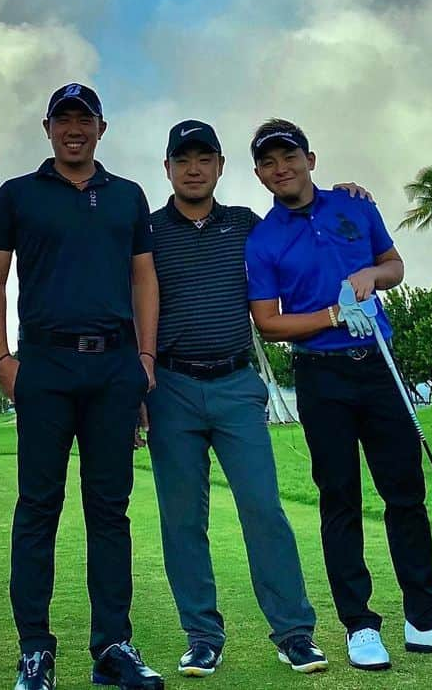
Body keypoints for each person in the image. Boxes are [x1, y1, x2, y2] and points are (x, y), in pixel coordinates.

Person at [244, 118, 432, 672]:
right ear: (260, 174)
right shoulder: (263, 240)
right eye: (268, 162)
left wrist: (370, 279)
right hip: (320, 375)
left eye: (289, 156)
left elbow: (395, 266)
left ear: (311, 157)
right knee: (340, 499)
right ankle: (359, 625)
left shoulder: (354, 206)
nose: (281, 168)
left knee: (405, 494)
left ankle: (426, 620)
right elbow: (269, 323)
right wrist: (332, 313)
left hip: (379, 366)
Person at [0, 83, 164, 690]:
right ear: (49, 127)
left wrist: (143, 358)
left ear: (101, 129)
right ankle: (35, 649)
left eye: (85, 120)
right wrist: (2, 358)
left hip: (114, 367)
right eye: (64, 119)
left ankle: (112, 645)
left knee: (109, 512)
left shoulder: (128, 197)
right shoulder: (18, 195)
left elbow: (143, 281)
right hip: (45, 368)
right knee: (38, 508)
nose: (74, 129)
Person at [146, 120, 328, 677]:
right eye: (184, 160)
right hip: (170, 389)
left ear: (221, 166)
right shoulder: (147, 231)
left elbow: (305, 220)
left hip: (235, 385)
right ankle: (202, 634)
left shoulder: (250, 226)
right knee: (182, 520)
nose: (194, 169)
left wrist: (348, 194)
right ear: (169, 168)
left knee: (263, 508)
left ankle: (294, 632)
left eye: (205, 159)